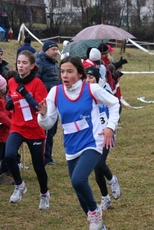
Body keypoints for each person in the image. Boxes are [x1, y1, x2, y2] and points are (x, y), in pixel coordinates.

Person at [37, 55, 120, 230]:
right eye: (62, 72)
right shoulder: (55, 92)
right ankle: (100, 225)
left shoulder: (91, 89)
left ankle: (95, 213)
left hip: (93, 142)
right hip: (71, 146)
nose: (65, 75)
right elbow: (48, 124)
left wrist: (110, 127)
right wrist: (43, 115)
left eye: (69, 71)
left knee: (77, 180)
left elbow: (114, 104)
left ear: (80, 74)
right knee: (79, 190)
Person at [4, 50, 50, 209]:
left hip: (35, 129)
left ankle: (44, 194)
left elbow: (41, 108)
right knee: (9, 155)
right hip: (17, 126)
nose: (20, 65)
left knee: (38, 167)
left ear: (31, 66)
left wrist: (26, 95)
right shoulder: (11, 81)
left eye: (24, 63)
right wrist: (8, 102)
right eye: (18, 62)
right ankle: (20, 186)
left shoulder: (37, 83)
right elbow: (10, 95)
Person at [85, 66, 122, 211]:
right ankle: (105, 198)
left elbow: (116, 107)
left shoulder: (104, 93)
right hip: (91, 136)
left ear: (97, 79)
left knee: (100, 163)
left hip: (105, 134)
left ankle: (112, 180)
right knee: (96, 168)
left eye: (91, 77)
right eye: (86, 78)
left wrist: (110, 127)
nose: (88, 80)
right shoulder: (84, 96)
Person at [36, 40, 61, 166]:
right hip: (45, 102)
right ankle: (43, 158)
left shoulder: (55, 63)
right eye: (54, 49)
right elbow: (36, 83)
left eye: (57, 49)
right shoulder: (39, 62)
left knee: (52, 130)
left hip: (55, 101)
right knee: (45, 131)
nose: (56, 52)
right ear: (46, 50)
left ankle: (48, 156)